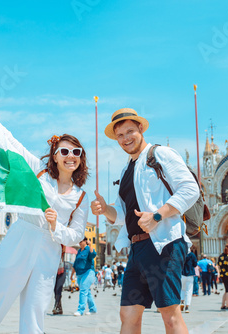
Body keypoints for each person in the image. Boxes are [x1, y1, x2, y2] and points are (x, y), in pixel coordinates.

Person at [0, 109, 89, 334]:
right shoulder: (39, 172)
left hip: (49, 250)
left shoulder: (81, 196)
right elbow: (14, 146)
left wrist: (56, 226)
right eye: (64, 151)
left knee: (36, 309)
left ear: (80, 157)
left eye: (76, 152)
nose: (70, 156)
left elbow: (77, 234)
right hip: (21, 237)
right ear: (55, 155)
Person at [91, 108, 200, 334]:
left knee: (169, 313)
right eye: (120, 135)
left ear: (141, 129)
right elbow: (122, 215)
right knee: (128, 313)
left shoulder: (160, 154)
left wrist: (158, 215)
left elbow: (191, 189)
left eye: (130, 131)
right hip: (137, 247)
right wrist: (105, 210)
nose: (125, 139)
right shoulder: (126, 169)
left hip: (164, 244)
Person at [71, 237, 97, 316]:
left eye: (81, 241)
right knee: (87, 292)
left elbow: (93, 255)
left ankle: (80, 310)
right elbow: (75, 263)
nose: (79, 243)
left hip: (88, 272)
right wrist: (72, 274)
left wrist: (90, 245)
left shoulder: (89, 249)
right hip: (79, 274)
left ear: (85, 241)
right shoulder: (79, 251)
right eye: (78, 241)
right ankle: (93, 309)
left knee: (83, 291)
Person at [180, 248, 197, 313]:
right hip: (190, 275)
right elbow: (195, 264)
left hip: (182, 274)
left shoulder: (182, 254)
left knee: (182, 289)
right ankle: (187, 307)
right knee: (189, 291)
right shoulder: (192, 255)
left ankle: (182, 301)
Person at [52, 248, 67, 315]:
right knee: (55, 290)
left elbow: (63, 248)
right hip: (54, 272)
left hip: (62, 271)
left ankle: (55, 306)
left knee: (58, 289)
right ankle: (60, 309)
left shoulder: (62, 250)